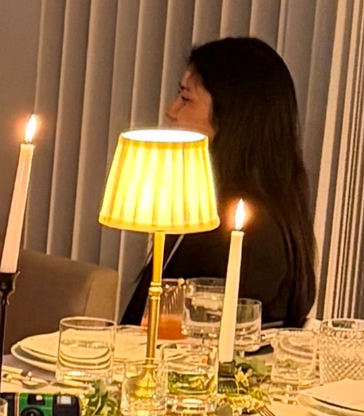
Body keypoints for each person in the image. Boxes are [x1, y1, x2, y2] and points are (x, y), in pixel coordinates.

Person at [123, 33, 319, 325]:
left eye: (185, 97)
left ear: (232, 116)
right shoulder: (209, 202)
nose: (170, 111)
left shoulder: (249, 229)